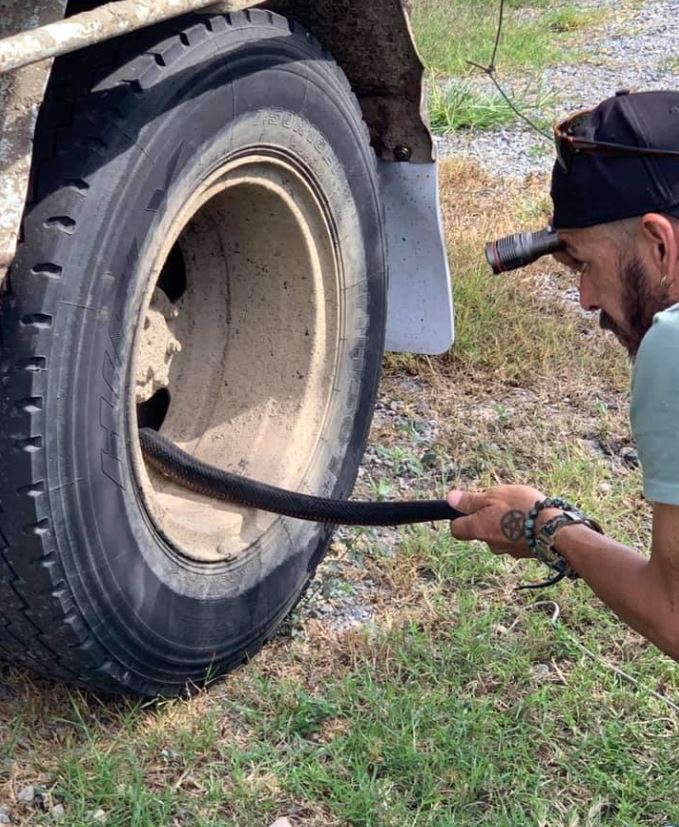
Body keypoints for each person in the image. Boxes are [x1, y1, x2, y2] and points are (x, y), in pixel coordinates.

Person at [447, 90, 679, 662]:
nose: (585, 299)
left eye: (585, 264)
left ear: (659, 244)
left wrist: (548, 527)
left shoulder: (673, 344)